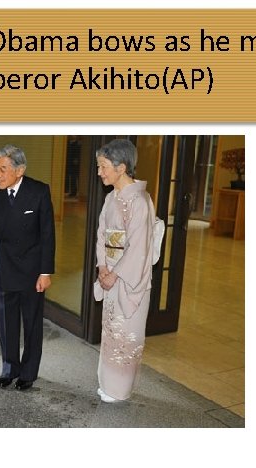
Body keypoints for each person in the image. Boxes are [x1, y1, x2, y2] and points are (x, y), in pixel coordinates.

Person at [0, 145, 56, 391]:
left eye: (3, 169)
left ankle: (28, 372)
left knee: (32, 323)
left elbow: (48, 234)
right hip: (3, 266)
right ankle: (9, 368)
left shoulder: (38, 192)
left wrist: (45, 272)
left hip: (31, 271)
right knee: (7, 323)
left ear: (20, 170)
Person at [93, 139, 156, 403]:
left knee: (125, 332)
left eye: (104, 167)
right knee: (110, 330)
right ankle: (109, 384)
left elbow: (139, 247)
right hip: (112, 274)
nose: (100, 172)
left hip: (128, 279)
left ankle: (119, 390)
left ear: (121, 167)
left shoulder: (140, 201)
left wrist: (115, 273)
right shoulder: (111, 197)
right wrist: (103, 266)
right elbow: (101, 236)